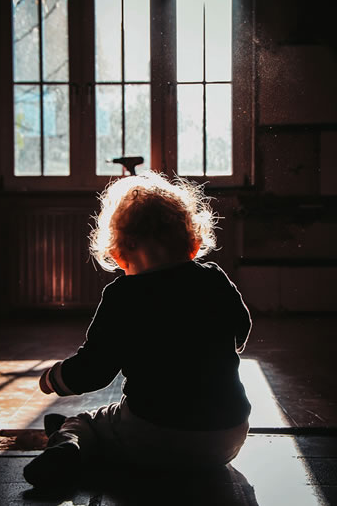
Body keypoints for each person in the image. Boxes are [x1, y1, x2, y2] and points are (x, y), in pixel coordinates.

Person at [23, 171, 252, 488]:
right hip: (228, 435)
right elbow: (242, 327)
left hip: (156, 434)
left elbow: (94, 371)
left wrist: (54, 378)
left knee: (85, 421)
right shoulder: (213, 278)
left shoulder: (123, 295)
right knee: (119, 423)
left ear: (118, 252)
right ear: (193, 243)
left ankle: (69, 444)